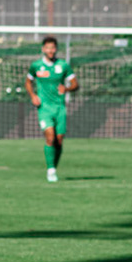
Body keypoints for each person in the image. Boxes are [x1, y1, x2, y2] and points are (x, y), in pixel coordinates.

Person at [25, 37, 77, 182]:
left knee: (59, 141)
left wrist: (66, 88)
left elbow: (75, 84)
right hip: (44, 108)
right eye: (47, 48)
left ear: (56, 49)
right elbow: (28, 82)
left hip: (60, 108)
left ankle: (53, 166)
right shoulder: (36, 66)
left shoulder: (63, 66)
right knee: (50, 137)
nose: (50, 50)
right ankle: (51, 170)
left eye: (53, 48)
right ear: (43, 49)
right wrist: (33, 95)